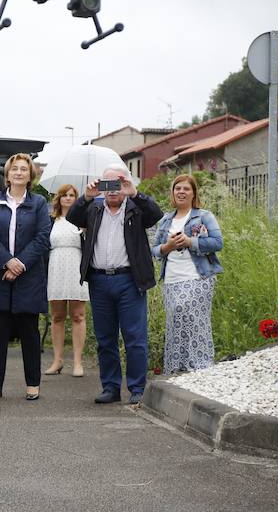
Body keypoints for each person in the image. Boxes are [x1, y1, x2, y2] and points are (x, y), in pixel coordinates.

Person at [67, 164, 162, 406]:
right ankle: (110, 387)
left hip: (130, 280)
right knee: (105, 338)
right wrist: (87, 197)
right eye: (107, 185)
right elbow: (72, 217)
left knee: (134, 337)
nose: (112, 191)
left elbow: (155, 215)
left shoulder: (136, 209)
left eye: (117, 184)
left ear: (126, 185)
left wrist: (135, 193)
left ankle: (137, 387)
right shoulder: (94, 208)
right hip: (100, 281)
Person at [0, 153, 51, 401]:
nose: (19, 172)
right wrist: (7, 262)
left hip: (29, 275)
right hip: (0, 275)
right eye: (15, 169)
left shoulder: (39, 203)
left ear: (30, 175)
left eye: (24, 169)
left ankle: (33, 383)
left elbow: (43, 237)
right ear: (8, 174)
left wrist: (19, 263)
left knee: (29, 332)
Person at [150, 174, 223, 374]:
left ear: (193, 193)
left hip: (198, 277)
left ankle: (201, 366)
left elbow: (218, 243)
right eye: (177, 188)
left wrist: (191, 242)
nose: (181, 192)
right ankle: (178, 369)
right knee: (175, 321)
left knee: (193, 318)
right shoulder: (166, 220)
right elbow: (154, 250)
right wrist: (168, 246)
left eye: (186, 189)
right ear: (173, 193)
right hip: (172, 279)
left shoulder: (204, 216)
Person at [44, 184, 90, 377]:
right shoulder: (51, 220)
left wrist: (86, 229)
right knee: (57, 316)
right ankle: (57, 360)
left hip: (77, 267)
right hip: (56, 267)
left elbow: (90, 243)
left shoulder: (83, 219)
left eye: (72, 195)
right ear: (59, 198)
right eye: (65, 195)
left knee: (78, 315)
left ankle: (78, 362)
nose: (68, 198)